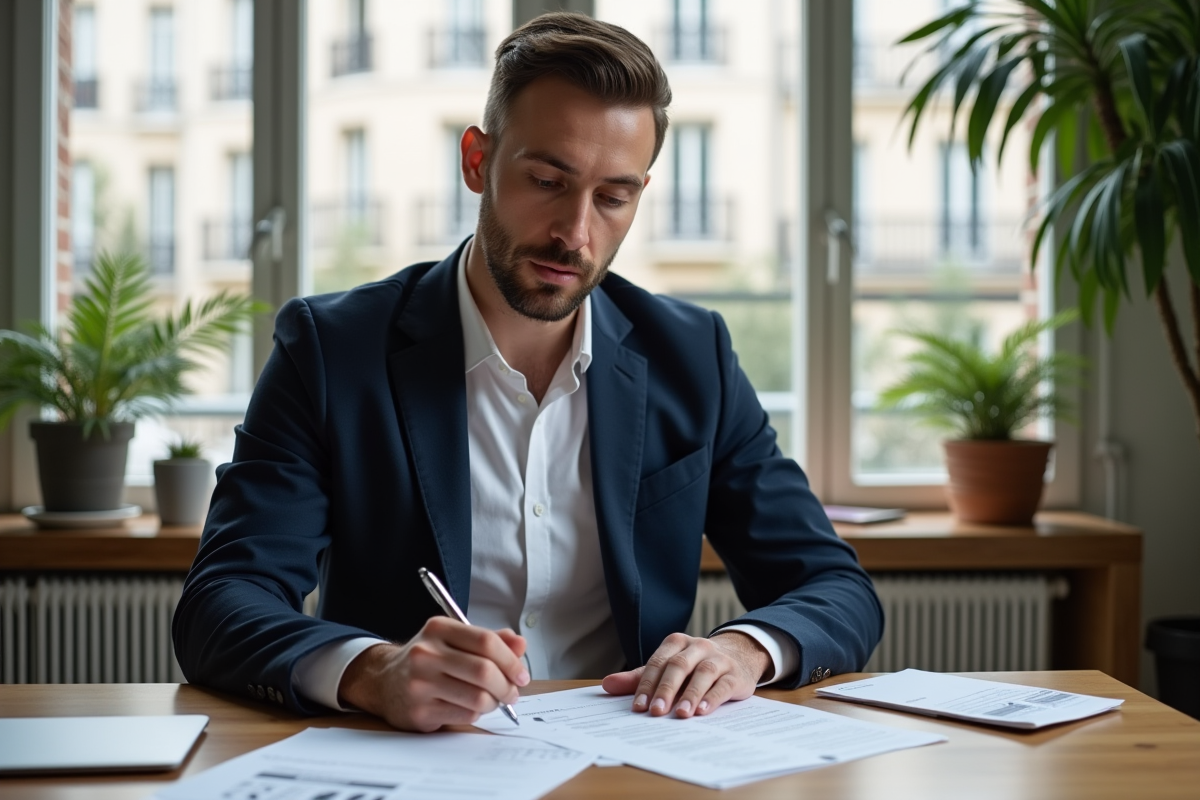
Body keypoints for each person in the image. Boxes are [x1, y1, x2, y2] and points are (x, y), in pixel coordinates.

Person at [173, 12, 882, 733]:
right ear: (478, 160)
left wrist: (742, 650)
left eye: (613, 196)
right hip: (411, 763)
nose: (575, 233)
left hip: (631, 768)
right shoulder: (331, 349)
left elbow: (833, 586)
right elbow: (222, 602)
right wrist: (370, 671)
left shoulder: (691, 355)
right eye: (547, 179)